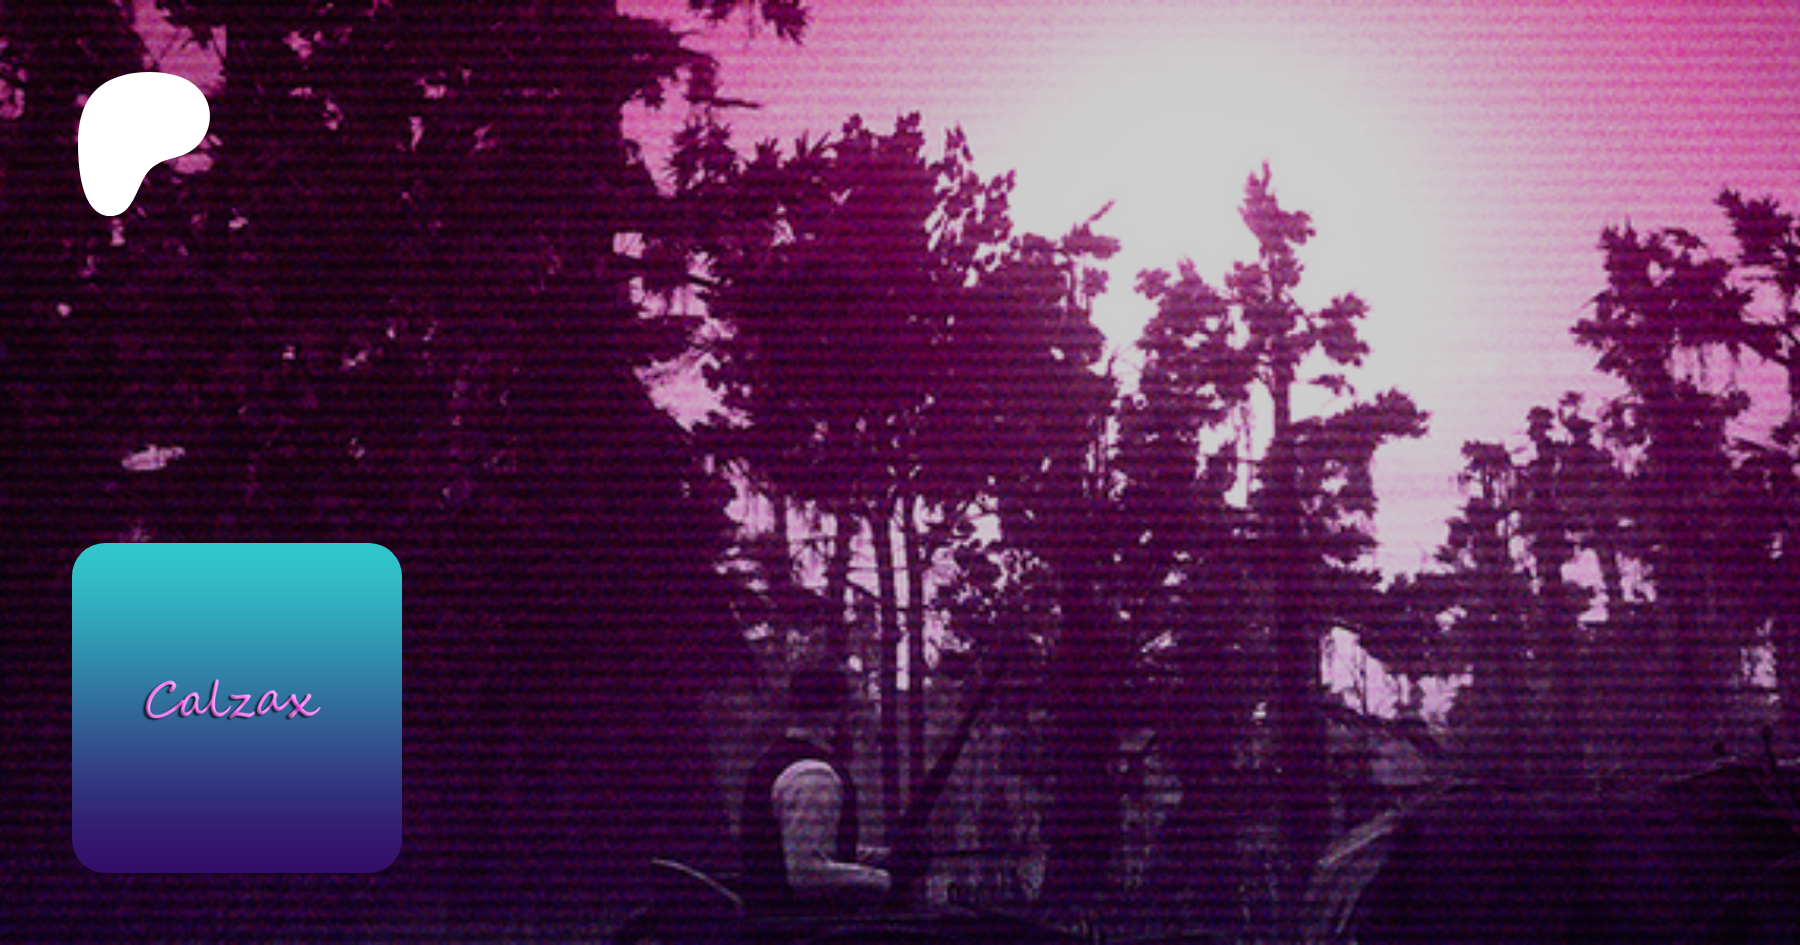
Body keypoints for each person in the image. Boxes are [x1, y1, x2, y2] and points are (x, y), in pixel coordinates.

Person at [739, 663, 891, 915]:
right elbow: (806, 873)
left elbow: (818, 849)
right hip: (798, 925)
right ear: (833, 714)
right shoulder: (813, 775)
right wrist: (884, 880)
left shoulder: (780, 761)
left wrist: (881, 857)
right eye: (850, 708)